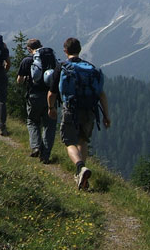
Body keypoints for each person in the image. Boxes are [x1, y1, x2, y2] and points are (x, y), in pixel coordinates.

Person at [48, 37, 111, 190]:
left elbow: (52, 93)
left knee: (69, 142)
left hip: (71, 109)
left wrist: (51, 108)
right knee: (82, 140)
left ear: (65, 50)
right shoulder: (90, 68)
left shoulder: (62, 67)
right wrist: (106, 116)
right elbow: (101, 94)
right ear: (80, 50)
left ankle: (80, 167)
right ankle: (82, 180)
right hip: (89, 109)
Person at [17, 38, 57, 164]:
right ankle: (45, 156)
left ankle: (35, 146)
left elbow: (19, 80)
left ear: (29, 49)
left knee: (32, 121)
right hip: (51, 96)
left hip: (34, 96)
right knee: (49, 126)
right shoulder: (51, 59)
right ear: (41, 46)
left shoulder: (27, 61)